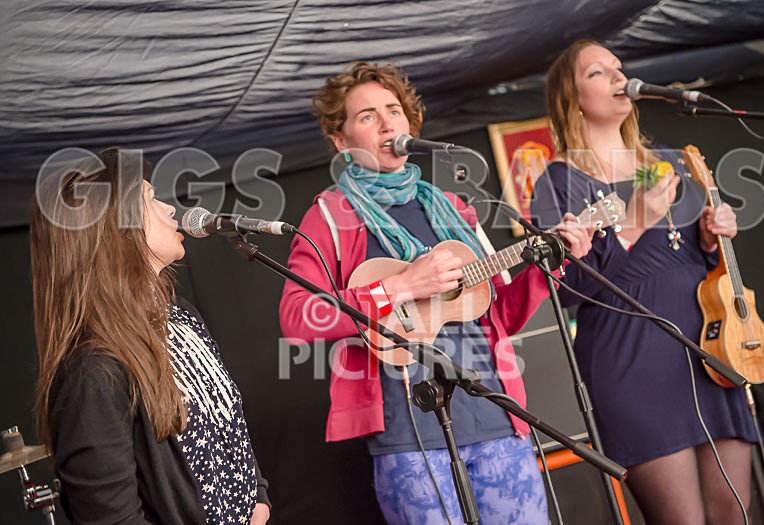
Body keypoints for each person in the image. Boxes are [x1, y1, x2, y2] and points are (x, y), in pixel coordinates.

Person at [278, 62, 593, 524]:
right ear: (341, 141)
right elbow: (298, 318)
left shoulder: (452, 208)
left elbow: (497, 309)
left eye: (394, 111)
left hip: (494, 415)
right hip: (408, 435)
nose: (387, 123)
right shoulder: (330, 216)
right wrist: (399, 286)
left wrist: (549, 261)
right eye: (367, 116)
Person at [531, 39, 757, 524]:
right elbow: (567, 292)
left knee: (736, 517)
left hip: (710, 354)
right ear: (570, 98)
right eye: (597, 72)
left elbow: (689, 260)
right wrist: (633, 222)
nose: (618, 77)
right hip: (634, 367)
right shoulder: (559, 181)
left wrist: (713, 238)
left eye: (618, 67)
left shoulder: (669, 161)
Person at [30, 148, 271, 524]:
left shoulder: (183, 318)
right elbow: (109, 516)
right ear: (114, 230)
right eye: (150, 198)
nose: (170, 208)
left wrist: (257, 500)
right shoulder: (94, 370)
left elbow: (227, 427)